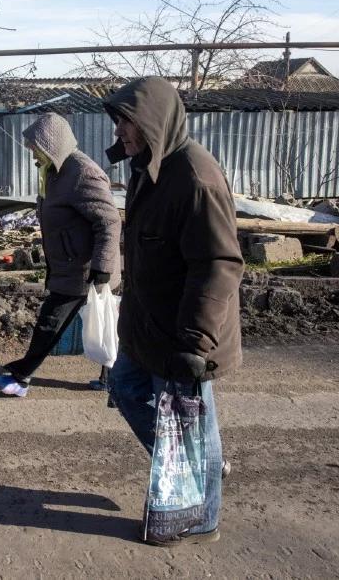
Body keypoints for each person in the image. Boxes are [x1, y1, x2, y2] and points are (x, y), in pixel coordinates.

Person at [102, 77, 243, 546]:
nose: (119, 130)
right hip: (148, 324)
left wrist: (195, 342)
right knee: (124, 388)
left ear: (152, 122)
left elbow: (218, 265)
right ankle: (202, 465)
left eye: (127, 121)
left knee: (192, 425)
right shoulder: (149, 166)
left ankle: (203, 518)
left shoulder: (196, 178)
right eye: (119, 120)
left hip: (185, 333)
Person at [0, 113, 121, 397]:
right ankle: (112, 377)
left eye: (35, 146)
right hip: (66, 264)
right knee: (101, 323)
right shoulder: (51, 170)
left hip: (85, 269)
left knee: (52, 322)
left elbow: (109, 221)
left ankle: (20, 377)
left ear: (51, 145)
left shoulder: (82, 172)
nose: (30, 151)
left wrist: (103, 268)